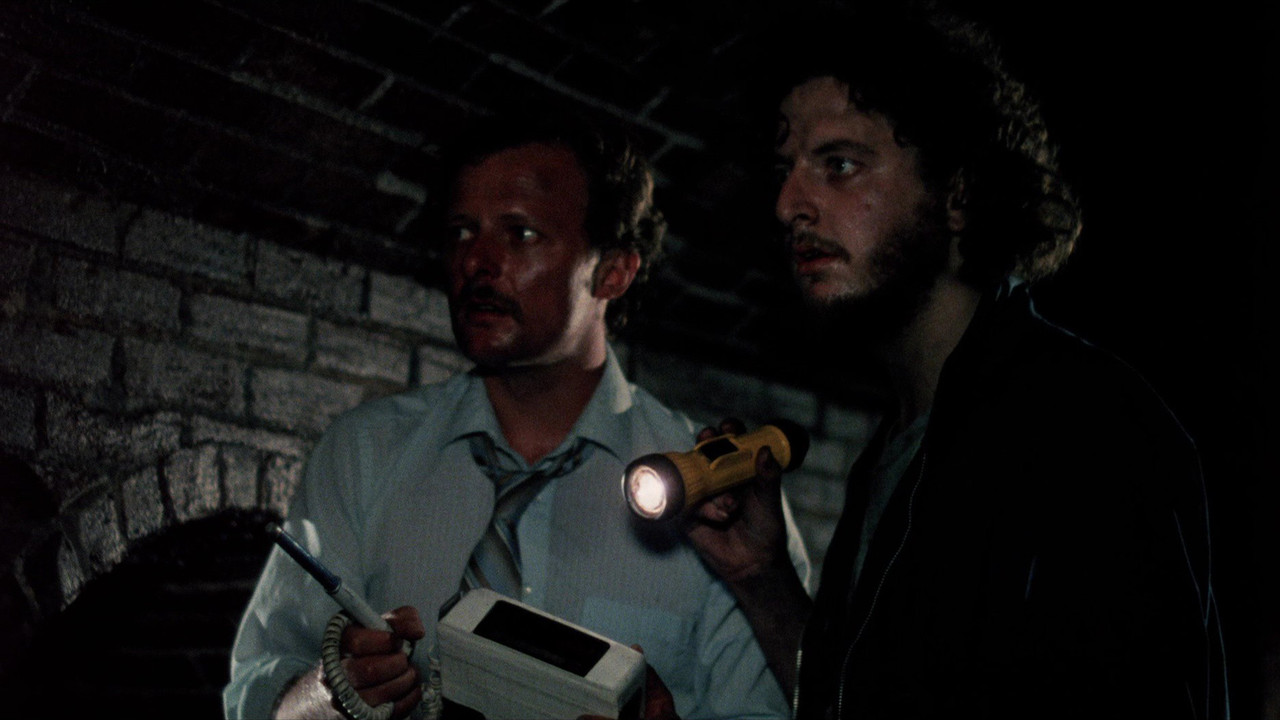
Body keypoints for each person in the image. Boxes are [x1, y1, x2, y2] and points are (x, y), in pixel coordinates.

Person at [678, 2, 1230, 719]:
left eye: (839, 165)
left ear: (959, 194)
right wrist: (762, 577)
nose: (789, 204)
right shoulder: (892, 455)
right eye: (785, 170)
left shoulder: (1087, 424)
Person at [222, 114, 810, 720]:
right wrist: (330, 693)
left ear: (613, 271)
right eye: (461, 231)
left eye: (521, 234)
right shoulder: (363, 453)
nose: (476, 261)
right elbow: (255, 694)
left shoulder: (714, 495)